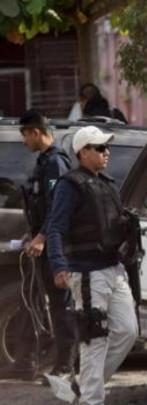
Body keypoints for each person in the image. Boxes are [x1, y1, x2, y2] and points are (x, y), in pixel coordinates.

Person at [46, 126, 138, 404]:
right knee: (94, 339)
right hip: (87, 273)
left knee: (128, 331)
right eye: (99, 147)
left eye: (107, 147)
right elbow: (55, 227)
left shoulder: (106, 183)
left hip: (113, 268)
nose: (106, 152)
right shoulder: (70, 185)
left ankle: (82, 388)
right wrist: (58, 265)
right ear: (83, 152)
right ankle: (90, 399)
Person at [0, 110, 75, 381]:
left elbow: (58, 206)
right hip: (39, 243)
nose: (24, 142)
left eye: (25, 135)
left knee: (60, 306)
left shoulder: (55, 164)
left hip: (54, 247)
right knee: (29, 301)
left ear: (35, 132)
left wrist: (42, 238)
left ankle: (65, 365)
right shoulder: (44, 162)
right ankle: (25, 361)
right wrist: (31, 236)